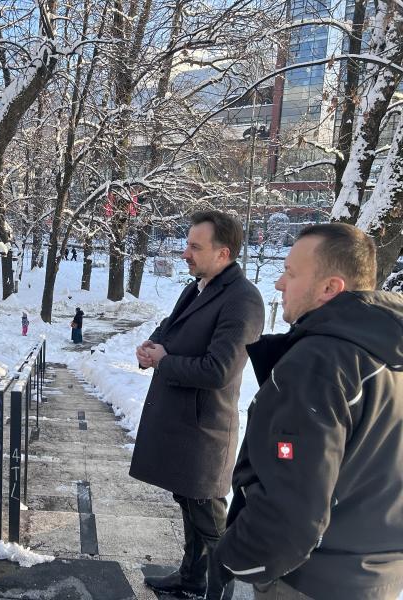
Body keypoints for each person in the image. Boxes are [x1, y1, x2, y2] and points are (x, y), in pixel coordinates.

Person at [213, 224, 403, 600]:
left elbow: (292, 512)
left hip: (307, 581)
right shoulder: (388, 353)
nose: (280, 283)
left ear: (329, 288)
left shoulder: (319, 364)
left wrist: (233, 557)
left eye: (291, 273)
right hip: (377, 577)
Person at [132, 210, 264, 600]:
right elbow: (172, 329)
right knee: (188, 505)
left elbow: (218, 370)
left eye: (194, 246)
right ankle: (192, 579)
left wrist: (164, 361)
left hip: (205, 431)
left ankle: (227, 592)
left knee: (209, 519)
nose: (185, 253)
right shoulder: (198, 287)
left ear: (223, 253)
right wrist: (151, 347)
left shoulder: (243, 300)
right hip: (180, 425)